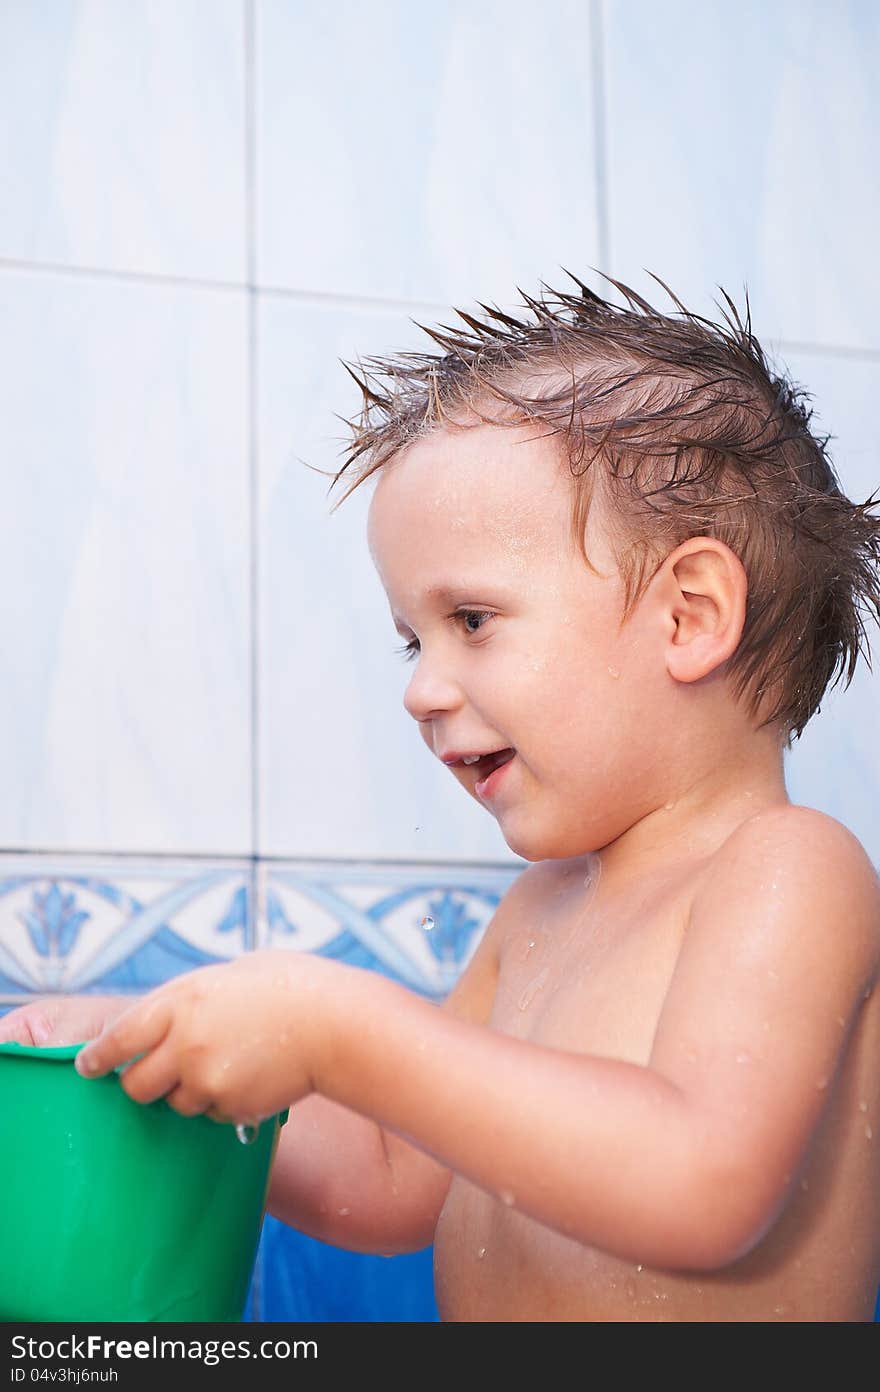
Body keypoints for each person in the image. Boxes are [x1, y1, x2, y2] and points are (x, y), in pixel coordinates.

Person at [4, 271, 880, 1322]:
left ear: (687, 617)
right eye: (411, 640)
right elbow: (386, 1176)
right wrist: (151, 1042)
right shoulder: (541, 911)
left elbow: (700, 1180)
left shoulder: (787, 868)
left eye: (471, 619)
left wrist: (341, 1027)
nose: (421, 688)